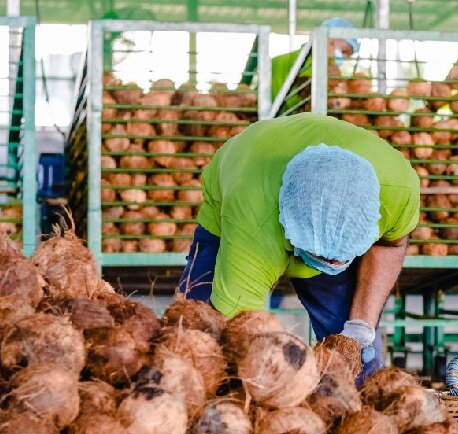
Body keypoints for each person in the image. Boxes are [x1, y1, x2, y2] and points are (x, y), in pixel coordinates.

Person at [178, 113, 421, 381]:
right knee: (199, 340)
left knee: (360, 364)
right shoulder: (254, 225)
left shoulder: (398, 190)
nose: (331, 263)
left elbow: (389, 245)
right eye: (320, 255)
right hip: (246, 175)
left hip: (321, 194)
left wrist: (362, 324)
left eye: (340, 257)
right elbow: (237, 330)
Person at [271, 16, 359, 101]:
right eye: (343, 51)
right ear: (329, 42)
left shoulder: (276, 61)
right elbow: (310, 97)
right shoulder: (313, 66)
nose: (343, 58)